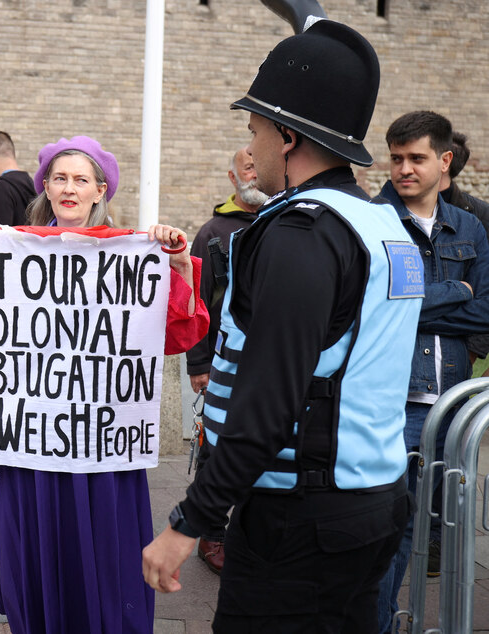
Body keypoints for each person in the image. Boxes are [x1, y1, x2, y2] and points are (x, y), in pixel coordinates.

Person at [142, 20, 424, 632]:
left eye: (257, 130)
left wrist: (190, 521)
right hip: (375, 497)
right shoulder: (382, 225)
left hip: (301, 520)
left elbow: (270, 402)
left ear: (289, 135)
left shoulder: (303, 233)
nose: (252, 148)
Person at [0, 135, 209, 633]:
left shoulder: (133, 257)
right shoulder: (8, 252)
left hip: (102, 449)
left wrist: (176, 264)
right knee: (38, 565)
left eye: (81, 179)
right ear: (46, 188)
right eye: (60, 178)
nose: (69, 188)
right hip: (32, 449)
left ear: (100, 191)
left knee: (105, 566)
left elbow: (178, 334)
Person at [375, 111, 489, 634]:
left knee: (431, 529)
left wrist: (421, 302)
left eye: (416, 158)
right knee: (385, 528)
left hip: (454, 405)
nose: (403, 169)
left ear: (444, 161)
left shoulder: (469, 226)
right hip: (393, 399)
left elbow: (487, 309)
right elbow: (377, 305)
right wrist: (458, 293)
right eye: (396, 158)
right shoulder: (374, 220)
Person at [185, 148, 265, 573]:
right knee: (215, 449)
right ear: (233, 178)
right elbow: (196, 298)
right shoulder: (213, 231)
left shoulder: (280, 220)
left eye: (258, 165)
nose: (253, 173)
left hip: (268, 363)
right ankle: (210, 533)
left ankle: (247, 533)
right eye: (246, 168)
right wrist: (198, 364)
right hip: (222, 359)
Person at [439, 130, 489, 371]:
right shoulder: (388, 211)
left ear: (444, 162)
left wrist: (472, 352)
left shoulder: (479, 216)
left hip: (458, 349)